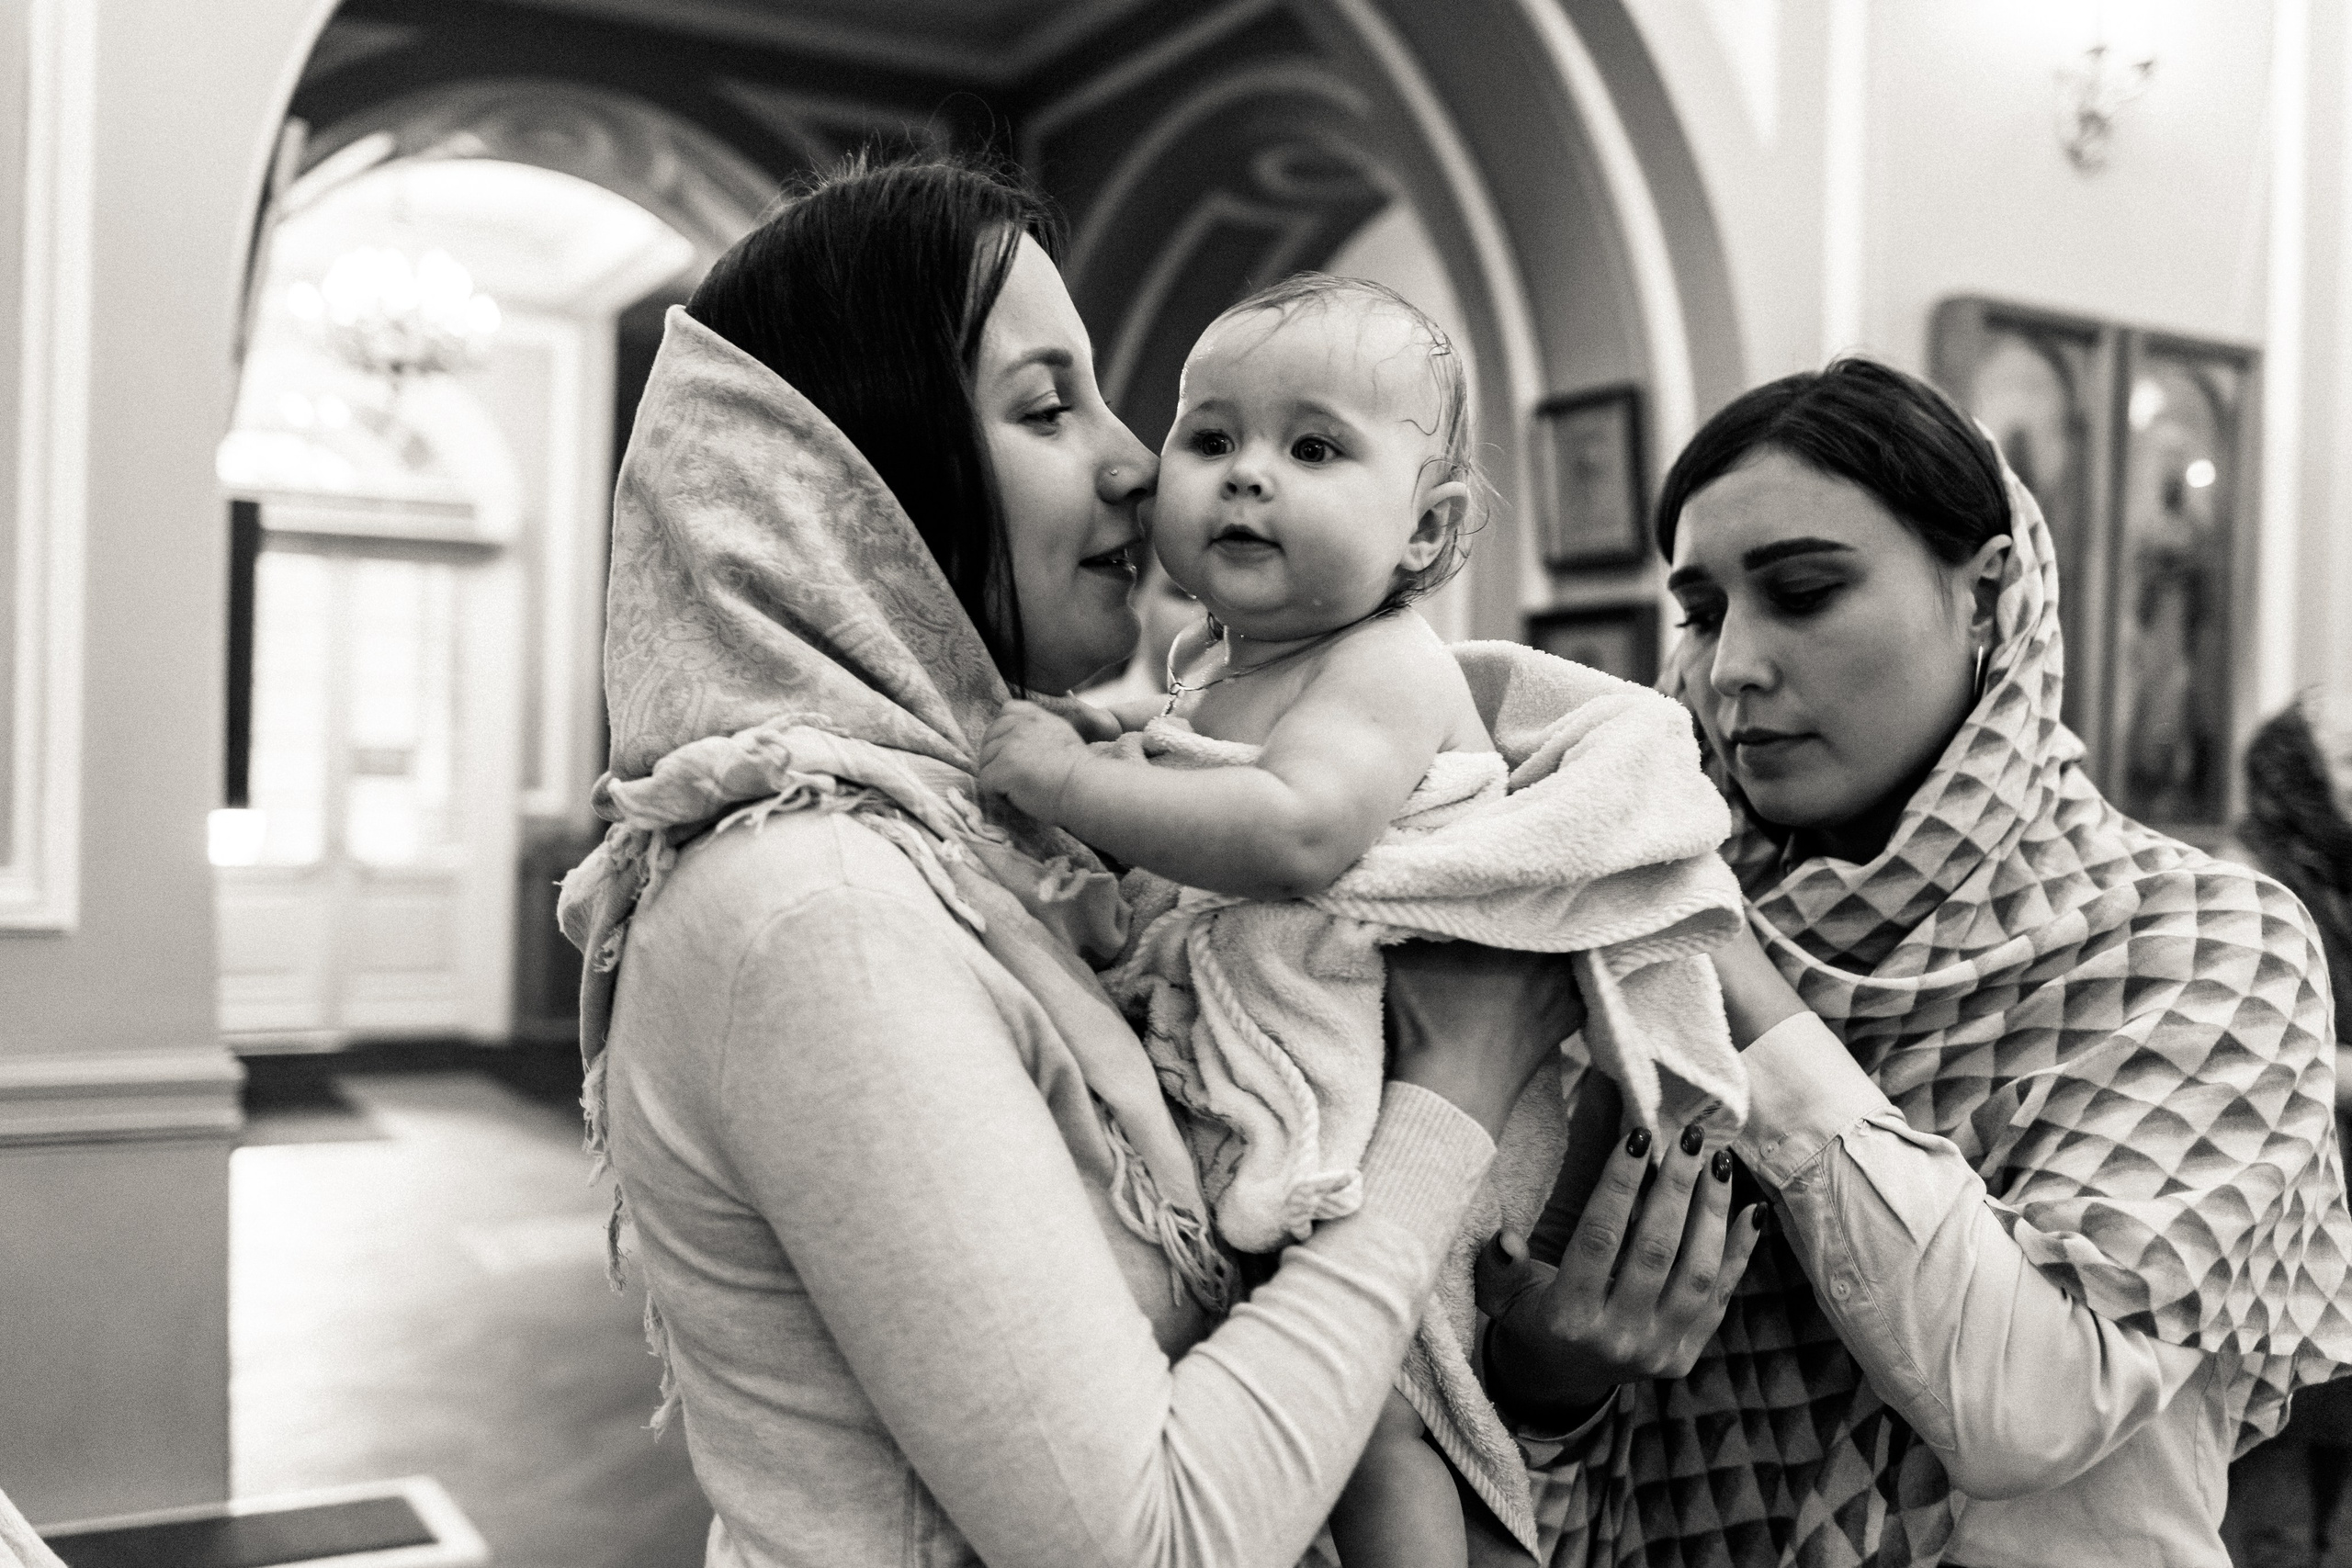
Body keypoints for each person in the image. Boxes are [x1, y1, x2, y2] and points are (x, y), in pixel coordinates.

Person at [555, 153, 1589, 1568]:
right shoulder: (816, 903)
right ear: (851, 482)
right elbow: (1150, 1540)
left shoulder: (980, 839)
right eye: (1048, 406)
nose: (1136, 463)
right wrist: (1450, 1099)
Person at [1472, 358, 2352, 1567]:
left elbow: (2028, 1398)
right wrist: (1552, 1373)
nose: (1731, 669)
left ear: (1987, 592)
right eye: (1705, 610)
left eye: (1804, 590)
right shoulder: (1616, 925)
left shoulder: (2198, 941)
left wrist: (1720, 944)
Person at [978, 272, 1755, 1568]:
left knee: (1377, 1413)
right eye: (1212, 438)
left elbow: (1296, 829)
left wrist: (1068, 782)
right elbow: (1196, 757)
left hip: (1387, 1070)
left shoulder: (1383, 663)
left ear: (1424, 530)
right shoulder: (1223, 667)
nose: (1246, 477)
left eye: (1315, 446)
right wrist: (1113, 736)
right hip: (1321, 1052)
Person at [2222, 702, 2352, 1568]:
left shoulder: (2339, 874)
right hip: (2283, 1219)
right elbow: (2247, 1040)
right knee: (2269, 1505)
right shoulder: (2243, 877)